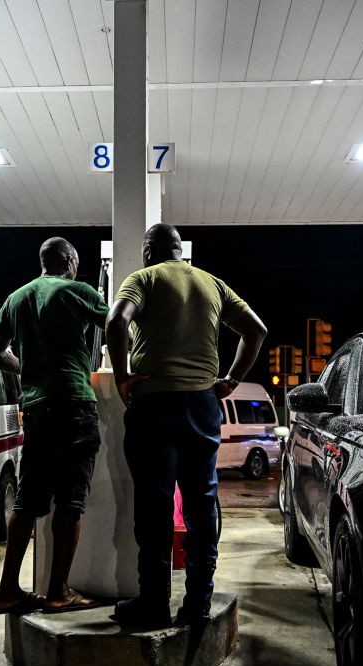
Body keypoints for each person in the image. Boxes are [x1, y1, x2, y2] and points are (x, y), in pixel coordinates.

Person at [106, 223, 267, 628]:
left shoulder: (143, 279)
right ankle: (197, 605)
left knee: (154, 508)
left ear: (148, 250)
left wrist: (123, 376)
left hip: (155, 404)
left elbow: (115, 322)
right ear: (181, 252)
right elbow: (256, 330)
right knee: (201, 506)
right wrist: (229, 379)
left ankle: (154, 605)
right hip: (202, 404)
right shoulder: (212, 283)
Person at [0, 237, 110, 615]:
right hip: (73, 405)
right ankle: (58, 591)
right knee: (70, 501)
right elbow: (117, 323)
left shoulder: (17, 298)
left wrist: (28, 368)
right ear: (70, 261)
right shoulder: (79, 291)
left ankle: (7, 591)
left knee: (26, 501)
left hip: (37, 410)